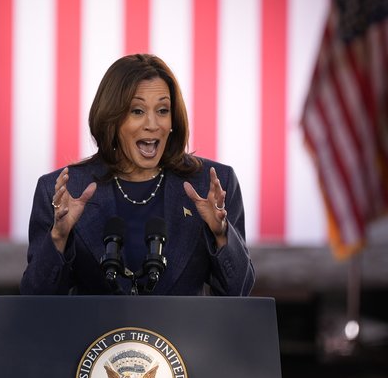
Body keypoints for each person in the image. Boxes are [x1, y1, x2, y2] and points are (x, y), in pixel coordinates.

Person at [20, 53, 256, 296]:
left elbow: (238, 292)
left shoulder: (211, 185)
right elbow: (35, 299)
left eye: (162, 110)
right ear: (111, 119)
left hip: (182, 324)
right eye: (137, 111)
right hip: (95, 324)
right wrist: (58, 238)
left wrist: (221, 235)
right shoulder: (64, 190)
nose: (152, 124)